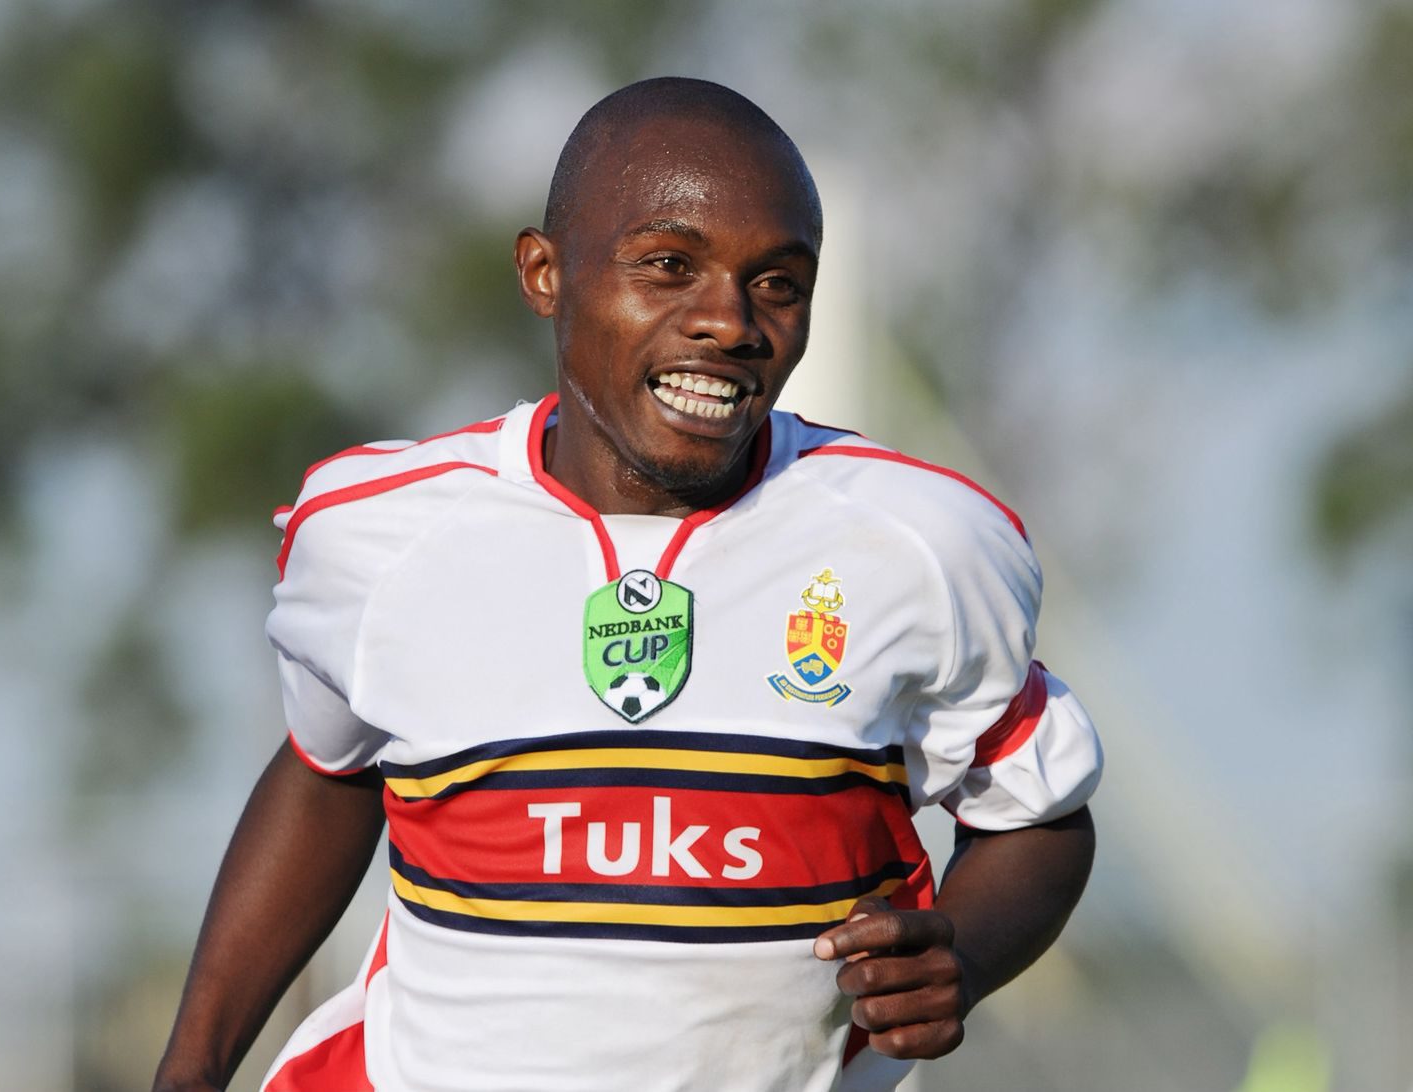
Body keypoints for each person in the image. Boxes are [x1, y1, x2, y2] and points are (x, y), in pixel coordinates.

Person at [153, 77, 1101, 1092]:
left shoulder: (920, 544)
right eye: (669, 266)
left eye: (777, 283)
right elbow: (328, 769)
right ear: (544, 272)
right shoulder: (380, 537)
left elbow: (1038, 813)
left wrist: (963, 951)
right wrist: (193, 1066)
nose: (727, 321)